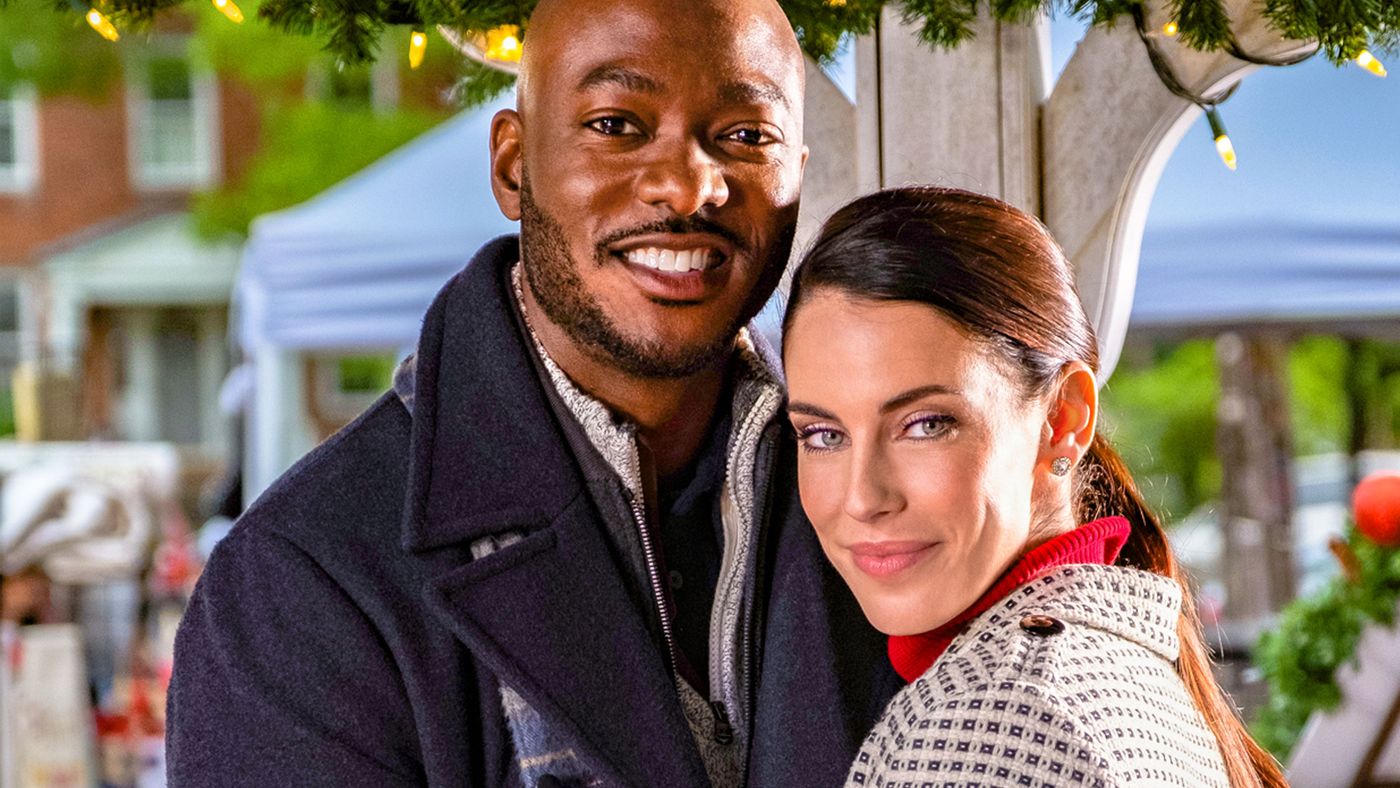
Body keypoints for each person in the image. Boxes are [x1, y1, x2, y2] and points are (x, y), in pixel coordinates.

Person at [165, 0, 898, 784]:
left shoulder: (904, 504)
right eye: (616, 125)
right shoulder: (301, 585)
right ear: (513, 167)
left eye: (746, 136)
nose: (687, 189)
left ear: (797, 174)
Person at [781, 186, 1287, 787]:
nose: (863, 499)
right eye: (823, 435)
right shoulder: (1115, 670)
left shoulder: (993, 722)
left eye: (926, 425)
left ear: (1062, 420)